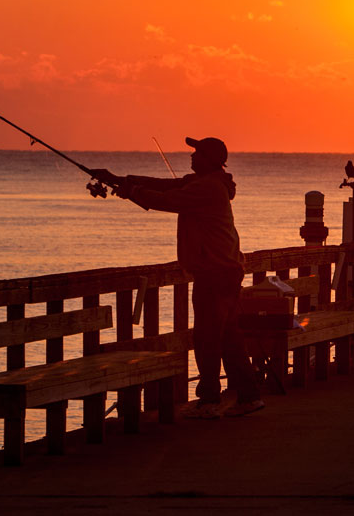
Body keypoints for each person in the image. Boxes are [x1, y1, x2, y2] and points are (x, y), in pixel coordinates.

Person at [91, 137, 264, 419]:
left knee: (208, 338)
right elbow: (166, 185)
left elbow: (166, 199)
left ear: (210, 159)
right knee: (230, 338)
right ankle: (249, 397)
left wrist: (131, 191)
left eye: (197, 153)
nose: (192, 156)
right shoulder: (209, 183)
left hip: (214, 275)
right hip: (226, 272)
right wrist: (119, 179)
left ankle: (209, 402)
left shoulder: (206, 188)